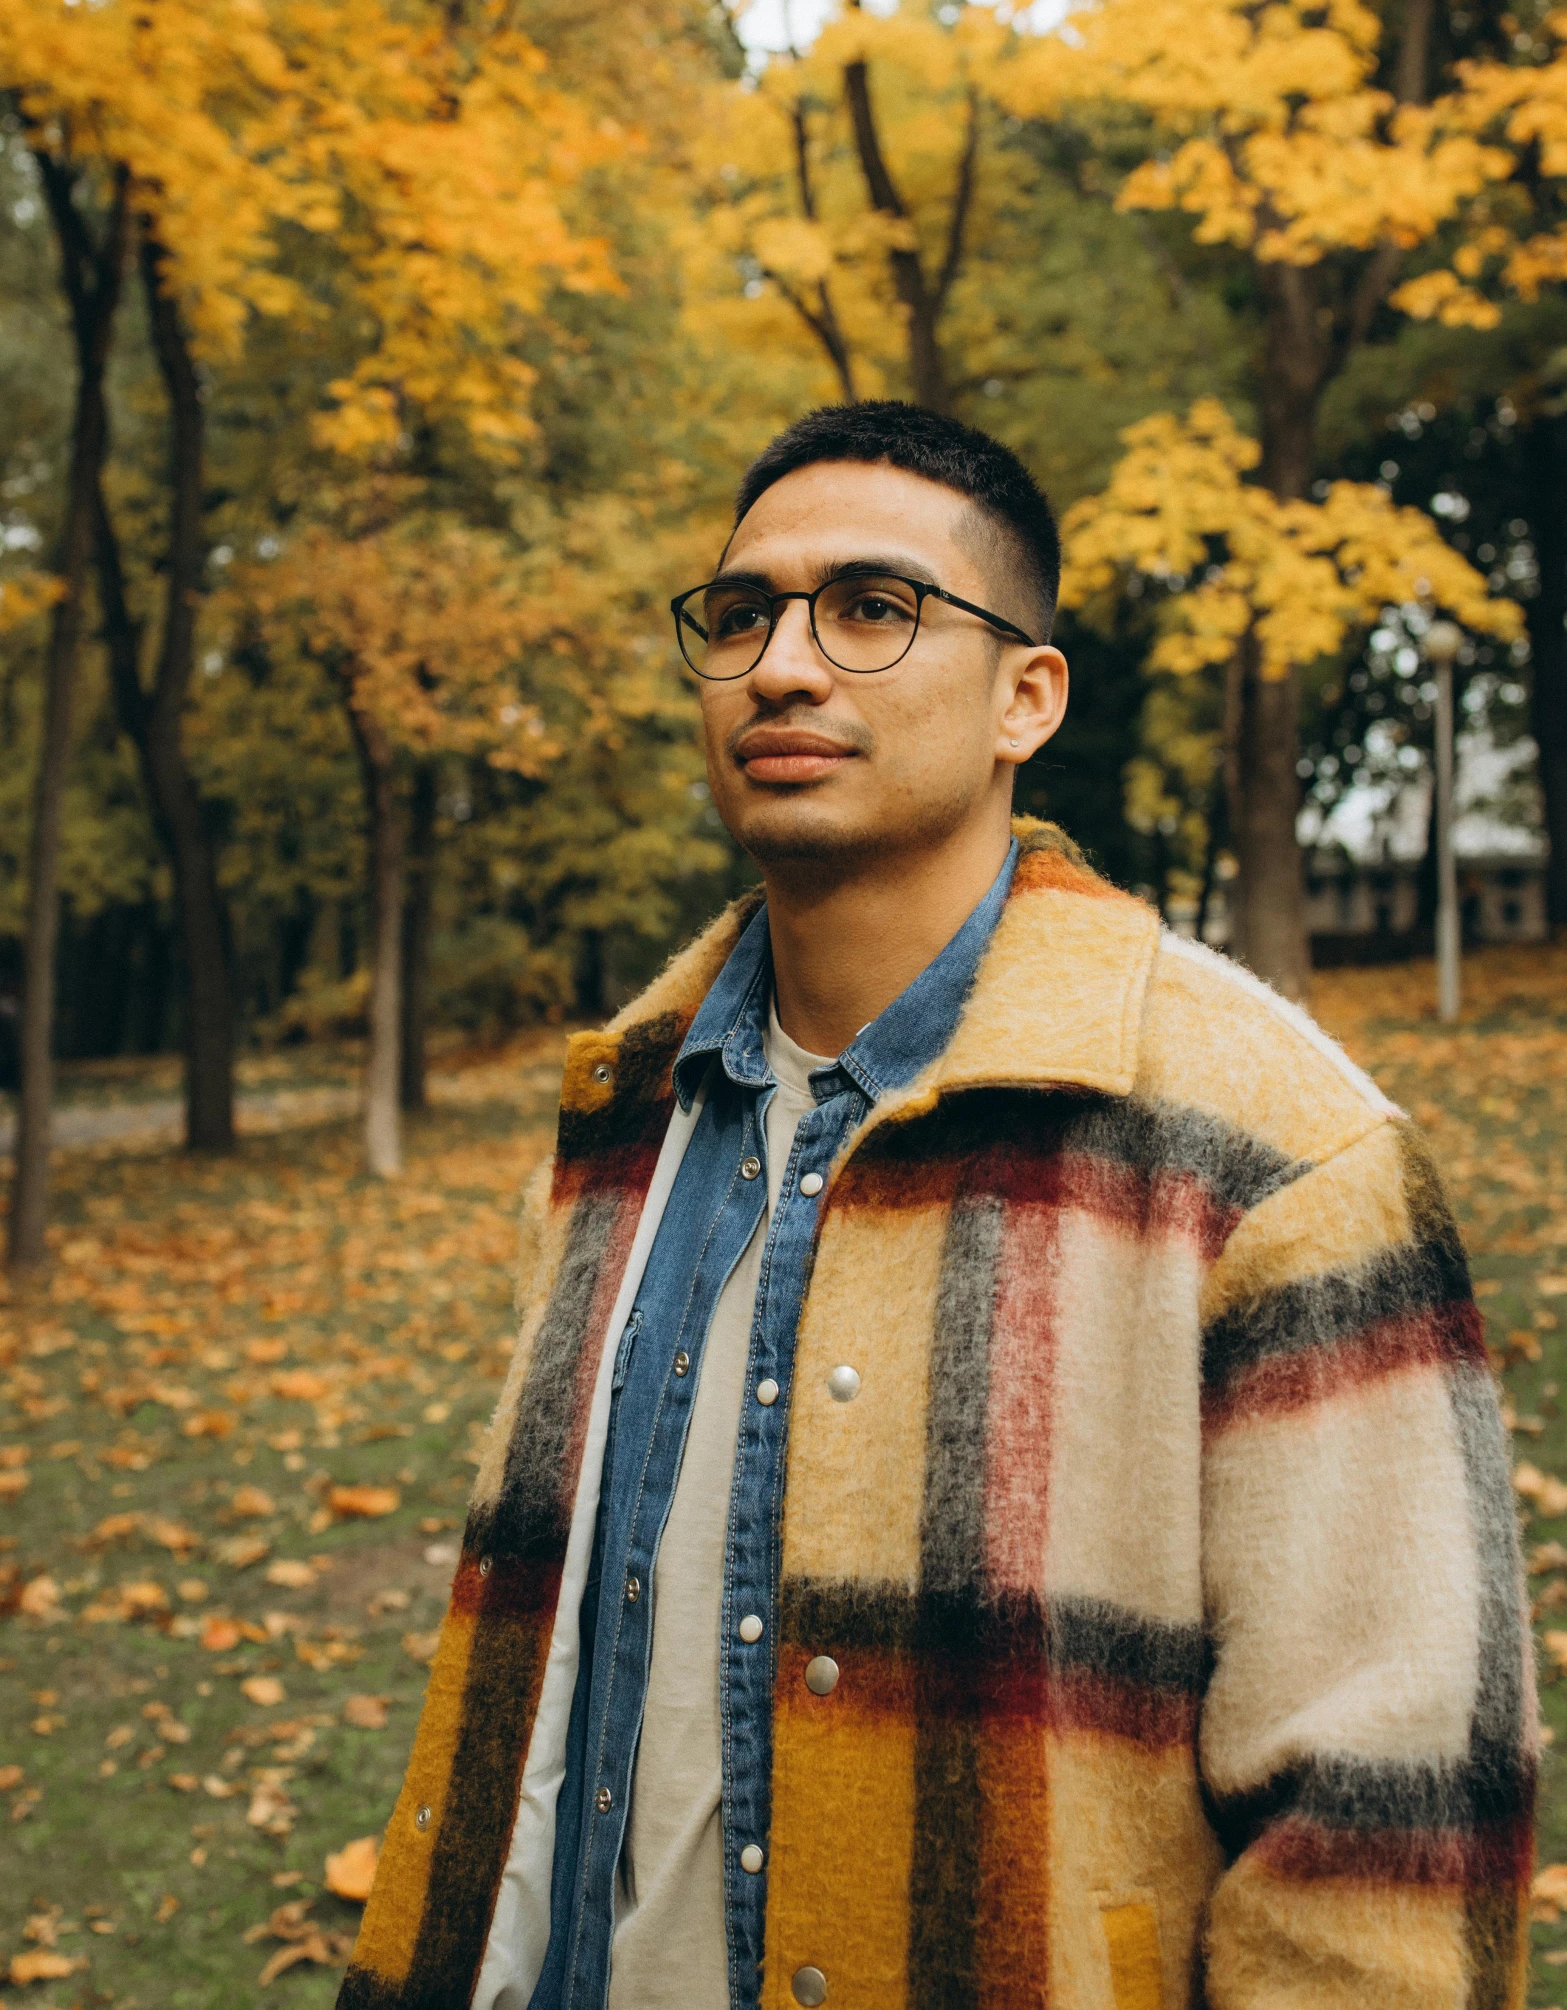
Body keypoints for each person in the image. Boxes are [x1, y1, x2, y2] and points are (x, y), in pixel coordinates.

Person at [340, 401, 1534, 2010]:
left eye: (872, 609)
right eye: (741, 611)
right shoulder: (625, 1102)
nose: (780, 663)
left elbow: (1391, 1848)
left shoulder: (1271, 1148)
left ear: (1022, 697)